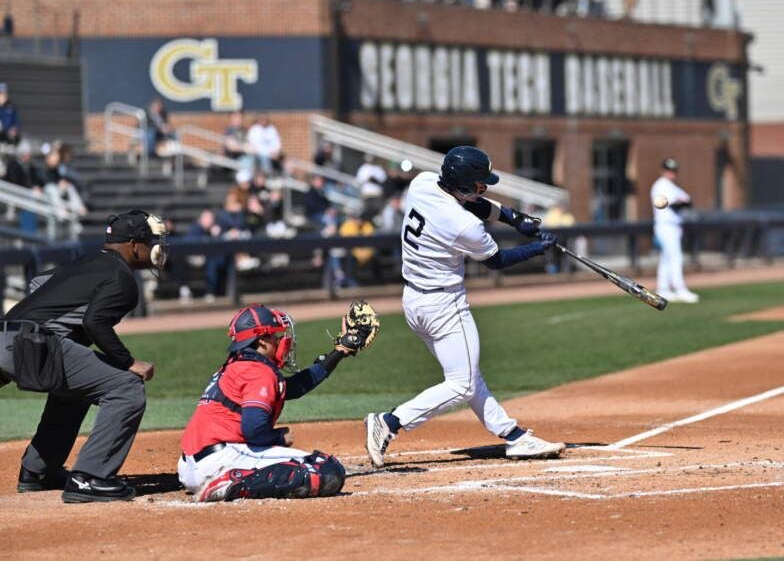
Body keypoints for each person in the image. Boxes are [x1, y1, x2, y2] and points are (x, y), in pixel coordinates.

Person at [364, 146, 564, 467]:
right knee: (463, 383)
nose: (483, 188)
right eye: (479, 183)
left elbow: (476, 203)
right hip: (445, 305)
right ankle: (390, 422)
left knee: (467, 375)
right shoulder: (462, 225)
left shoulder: (424, 182)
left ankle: (513, 436)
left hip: (414, 302)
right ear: (464, 185)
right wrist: (537, 249)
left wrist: (512, 217)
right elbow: (496, 260)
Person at [0, 210, 167, 502]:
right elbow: (95, 322)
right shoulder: (122, 277)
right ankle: (90, 478)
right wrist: (128, 362)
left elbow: (39, 282)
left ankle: (39, 471)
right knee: (125, 387)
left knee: (78, 387)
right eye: (149, 240)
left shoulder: (86, 261)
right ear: (134, 245)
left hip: (8, 335)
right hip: (33, 344)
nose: (155, 246)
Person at [177, 301, 378, 501]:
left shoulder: (239, 365)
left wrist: (339, 352)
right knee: (326, 470)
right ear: (262, 340)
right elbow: (254, 429)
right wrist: (279, 438)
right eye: (274, 335)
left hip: (193, 464)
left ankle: (231, 479)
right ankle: (232, 482)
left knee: (306, 468)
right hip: (220, 460)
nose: (280, 340)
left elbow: (295, 387)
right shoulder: (257, 372)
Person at [650, 158, 699, 303]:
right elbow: (674, 204)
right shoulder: (660, 185)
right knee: (675, 257)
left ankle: (663, 289)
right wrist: (681, 202)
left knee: (666, 259)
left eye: (673, 171)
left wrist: (682, 202)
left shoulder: (672, 186)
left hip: (674, 225)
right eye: (669, 170)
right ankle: (680, 289)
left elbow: (688, 201)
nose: (671, 173)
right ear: (663, 171)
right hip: (665, 225)